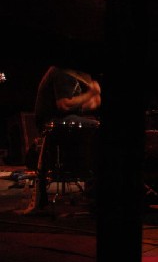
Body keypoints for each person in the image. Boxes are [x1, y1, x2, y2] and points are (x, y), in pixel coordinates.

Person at [23, 65, 102, 214]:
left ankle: (94, 188)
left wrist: (95, 98)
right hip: (52, 122)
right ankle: (94, 191)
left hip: (65, 118)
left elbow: (84, 105)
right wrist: (90, 93)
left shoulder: (79, 74)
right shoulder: (62, 71)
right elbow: (64, 104)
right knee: (98, 130)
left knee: (97, 125)